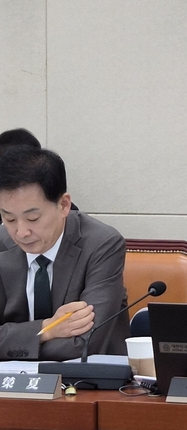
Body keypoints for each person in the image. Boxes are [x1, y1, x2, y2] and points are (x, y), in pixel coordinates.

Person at [0, 146, 128, 360]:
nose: (21, 232)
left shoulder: (102, 244)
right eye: (9, 219)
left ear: (63, 205)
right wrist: (46, 329)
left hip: (85, 377)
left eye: (33, 218)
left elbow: (84, 345)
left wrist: (15, 344)